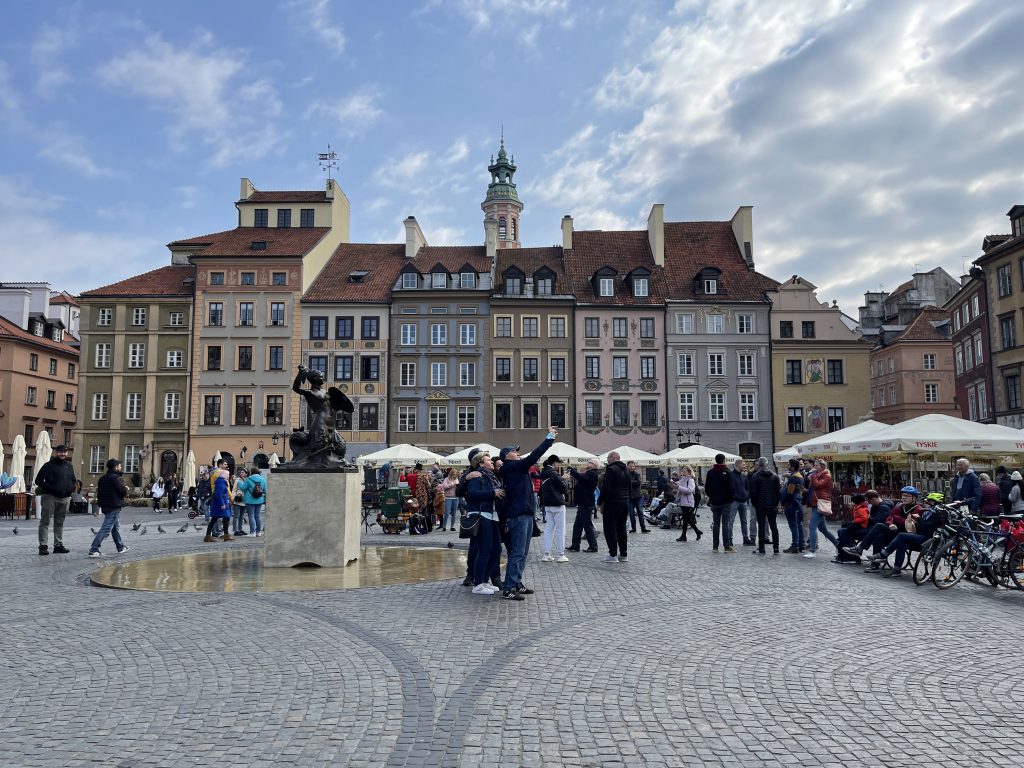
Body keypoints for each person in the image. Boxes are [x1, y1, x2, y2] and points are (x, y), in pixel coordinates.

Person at [498, 428, 557, 599]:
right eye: (514, 451)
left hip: (526, 513)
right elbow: (535, 455)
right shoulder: (513, 467)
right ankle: (508, 588)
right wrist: (549, 438)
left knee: (522, 552)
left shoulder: (515, 467)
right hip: (518, 514)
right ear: (507, 456)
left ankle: (516, 583)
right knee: (517, 552)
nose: (518, 453)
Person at [845, 486, 921, 570]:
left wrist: (897, 519)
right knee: (879, 535)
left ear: (914, 498)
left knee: (878, 526)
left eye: (907, 496)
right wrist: (890, 523)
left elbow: (912, 524)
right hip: (894, 531)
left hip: (906, 534)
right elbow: (890, 517)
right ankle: (875, 565)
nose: (904, 498)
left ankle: (860, 548)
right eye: (903, 495)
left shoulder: (918, 509)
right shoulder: (899, 506)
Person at [465, 451, 506, 595]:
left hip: (492, 516)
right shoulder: (478, 475)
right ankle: (477, 584)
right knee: (484, 550)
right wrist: (492, 493)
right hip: (481, 515)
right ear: (481, 463)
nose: (491, 462)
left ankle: (483, 580)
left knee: (496, 550)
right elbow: (473, 494)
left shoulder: (492, 477)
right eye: (488, 460)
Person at [35, 443, 76, 555]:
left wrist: (71, 488)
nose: (63, 454)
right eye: (60, 451)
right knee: (45, 521)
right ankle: (43, 546)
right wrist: (51, 489)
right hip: (49, 497)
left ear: (67, 453)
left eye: (64, 452)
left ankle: (58, 545)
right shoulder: (48, 465)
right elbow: (38, 480)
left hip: (65, 498)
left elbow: (73, 480)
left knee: (59, 522)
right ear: (56, 452)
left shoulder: (69, 466)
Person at [88, 458, 130, 557]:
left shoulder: (103, 478)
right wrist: (126, 488)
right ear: (116, 467)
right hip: (114, 505)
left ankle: (120, 547)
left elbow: (100, 493)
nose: (121, 467)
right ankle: (94, 549)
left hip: (105, 505)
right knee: (106, 528)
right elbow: (122, 492)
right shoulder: (116, 478)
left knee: (115, 527)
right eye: (120, 466)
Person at [804, 459, 839, 559]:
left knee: (812, 526)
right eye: (814, 465)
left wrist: (813, 477)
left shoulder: (826, 475)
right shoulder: (818, 475)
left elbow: (818, 485)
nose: (814, 467)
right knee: (823, 529)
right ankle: (838, 545)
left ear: (822, 466)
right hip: (816, 503)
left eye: (816, 465)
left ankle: (812, 550)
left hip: (820, 503)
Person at [747, 457, 780, 555]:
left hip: (760, 505)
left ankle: (762, 548)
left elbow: (753, 492)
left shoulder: (755, 476)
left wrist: (755, 503)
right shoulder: (775, 476)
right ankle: (776, 548)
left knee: (761, 526)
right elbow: (777, 491)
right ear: (767, 464)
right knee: (774, 527)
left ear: (759, 465)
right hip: (772, 505)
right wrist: (775, 503)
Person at [540, 455, 569, 562]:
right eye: (558, 463)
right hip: (557, 503)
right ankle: (560, 554)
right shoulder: (553, 473)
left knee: (548, 529)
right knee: (560, 530)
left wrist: (561, 478)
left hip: (547, 504)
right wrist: (564, 479)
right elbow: (563, 489)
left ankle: (546, 554)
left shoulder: (543, 472)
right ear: (555, 462)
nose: (559, 465)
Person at [567, 459, 600, 552]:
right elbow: (581, 476)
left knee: (587, 525)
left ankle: (593, 546)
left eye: (590, 462)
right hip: (583, 502)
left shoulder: (593, 473)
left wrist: (571, 470)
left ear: (594, 465)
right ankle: (575, 545)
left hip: (586, 503)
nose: (587, 463)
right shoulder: (590, 473)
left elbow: (580, 477)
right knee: (577, 525)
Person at [704, 453, 735, 553]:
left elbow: (707, 488)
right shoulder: (727, 472)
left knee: (716, 524)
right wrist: (730, 499)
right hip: (726, 502)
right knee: (725, 524)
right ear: (724, 460)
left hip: (714, 502)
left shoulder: (710, 472)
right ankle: (726, 546)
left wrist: (711, 497)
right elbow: (731, 488)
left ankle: (715, 546)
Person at [833, 493, 870, 564]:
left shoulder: (862, 508)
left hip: (861, 525)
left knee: (846, 530)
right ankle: (844, 551)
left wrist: (854, 522)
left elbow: (863, 518)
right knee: (844, 527)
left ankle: (848, 548)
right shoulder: (858, 507)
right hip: (859, 524)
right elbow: (856, 515)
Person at [781, 459, 805, 554]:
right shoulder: (801, 476)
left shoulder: (793, 478)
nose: (787, 465)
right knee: (798, 524)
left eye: (788, 464)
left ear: (793, 466)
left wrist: (785, 502)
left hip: (791, 502)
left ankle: (795, 545)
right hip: (798, 501)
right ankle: (800, 544)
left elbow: (790, 492)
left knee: (793, 524)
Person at [204, 464, 233, 542]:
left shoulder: (221, 482)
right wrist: (222, 504)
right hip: (220, 504)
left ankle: (223, 535)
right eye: (228, 475)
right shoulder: (221, 483)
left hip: (220, 503)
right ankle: (210, 536)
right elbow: (218, 494)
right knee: (217, 519)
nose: (228, 476)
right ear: (224, 475)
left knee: (221, 518)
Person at [673, 466, 702, 542]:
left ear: (689, 472)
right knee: (686, 519)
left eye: (684, 471)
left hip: (688, 502)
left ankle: (685, 535)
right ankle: (695, 532)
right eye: (682, 471)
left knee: (686, 519)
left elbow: (690, 490)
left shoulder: (690, 480)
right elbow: (677, 485)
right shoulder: (683, 480)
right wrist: (672, 483)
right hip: (683, 501)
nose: (683, 473)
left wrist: (679, 487)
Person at [626, 460, 650, 533]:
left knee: (640, 512)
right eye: (630, 466)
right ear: (627, 466)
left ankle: (643, 528)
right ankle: (633, 528)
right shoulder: (625, 474)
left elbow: (638, 483)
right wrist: (632, 482)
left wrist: (629, 482)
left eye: (633, 466)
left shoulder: (637, 474)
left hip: (638, 497)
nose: (632, 467)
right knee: (632, 514)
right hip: (629, 497)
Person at [242, 469, 267, 536]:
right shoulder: (263, 479)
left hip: (249, 500)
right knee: (257, 515)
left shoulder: (248, 479)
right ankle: (258, 532)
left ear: (251, 472)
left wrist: (239, 483)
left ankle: (252, 532)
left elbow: (243, 488)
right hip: (259, 500)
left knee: (251, 515)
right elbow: (265, 490)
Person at [231, 468, 248, 535]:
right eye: (241, 472)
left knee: (242, 516)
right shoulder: (237, 480)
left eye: (243, 472)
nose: (241, 473)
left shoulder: (247, 480)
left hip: (244, 500)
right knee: (236, 516)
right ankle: (235, 530)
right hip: (237, 500)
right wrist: (233, 498)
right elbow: (234, 490)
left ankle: (240, 529)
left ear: (246, 473)